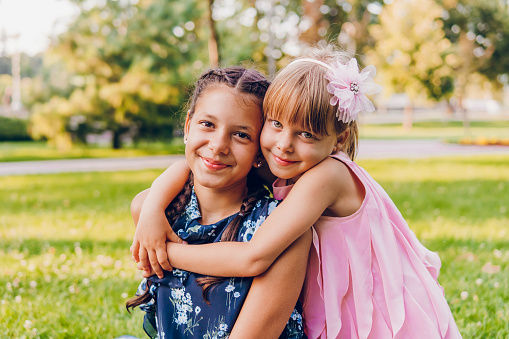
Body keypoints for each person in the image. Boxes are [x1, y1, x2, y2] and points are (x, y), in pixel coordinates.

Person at [132, 45, 462, 339]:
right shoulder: (284, 160)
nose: (284, 145)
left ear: (339, 138)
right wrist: (150, 211)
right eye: (275, 124)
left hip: (377, 311)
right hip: (338, 300)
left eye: (306, 132)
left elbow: (253, 256)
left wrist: (163, 252)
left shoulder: (327, 175)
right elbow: (195, 166)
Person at [126, 66, 311, 339]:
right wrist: (153, 207)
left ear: (260, 151)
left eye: (241, 135)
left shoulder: (282, 230)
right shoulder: (157, 214)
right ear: (188, 127)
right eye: (208, 124)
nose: (218, 145)